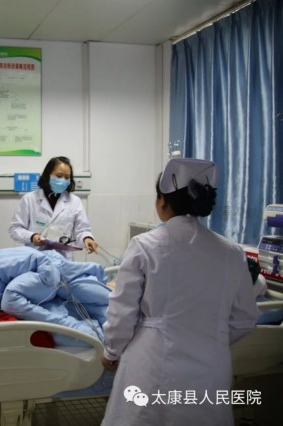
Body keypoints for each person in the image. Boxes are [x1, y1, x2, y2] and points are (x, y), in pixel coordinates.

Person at [100, 158, 259, 425]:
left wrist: (111, 352)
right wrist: (208, 335)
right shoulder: (232, 252)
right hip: (210, 366)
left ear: (162, 201)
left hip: (152, 361)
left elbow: (122, 313)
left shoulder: (145, 246)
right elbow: (245, 318)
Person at [9, 156, 98, 260]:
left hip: (63, 259)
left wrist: (87, 238)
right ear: (48, 175)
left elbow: (82, 230)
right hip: (35, 258)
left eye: (67, 177)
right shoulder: (29, 199)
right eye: (59, 176)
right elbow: (15, 229)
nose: (63, 180)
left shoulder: (75, 201)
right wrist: (32, 237)